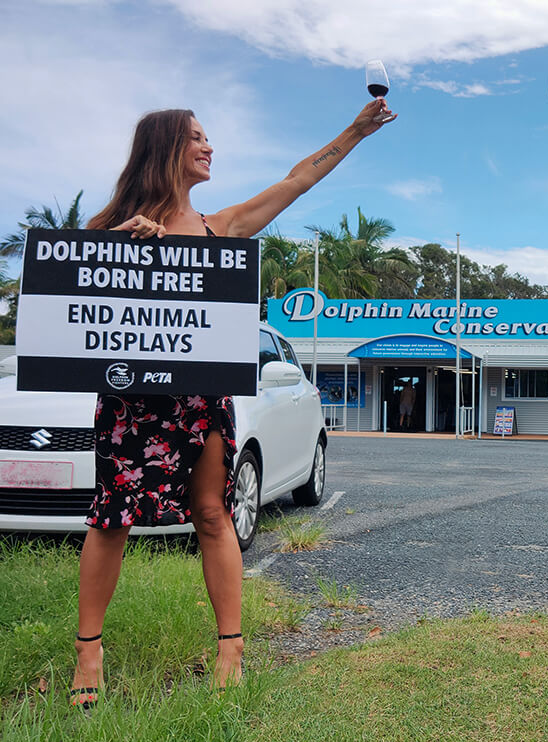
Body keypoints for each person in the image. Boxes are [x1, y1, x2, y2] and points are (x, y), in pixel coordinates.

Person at [70, 98, 396, 708]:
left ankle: (230, 649)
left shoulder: (221, 229)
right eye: (196, 137)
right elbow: (76, 288)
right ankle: (89, 652)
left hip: (202, 398)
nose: (209, 146)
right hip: (131, 398)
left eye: (207, 136)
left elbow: (297, 181)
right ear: (165, 149)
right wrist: (123, 243)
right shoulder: (108, 227)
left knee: (213, 513)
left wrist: (354, 130)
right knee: (109, 517)